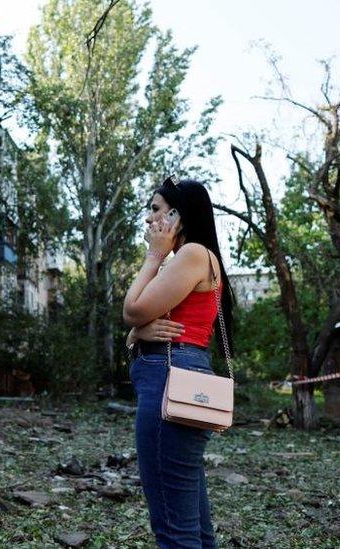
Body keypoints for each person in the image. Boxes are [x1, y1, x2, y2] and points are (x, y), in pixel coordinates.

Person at [122, 176, 234, 548]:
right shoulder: (196, 258)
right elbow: (138, 325)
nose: (148, 220)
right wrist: (139, 333)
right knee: (195, 530)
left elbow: (133, 309)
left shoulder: (192, 255)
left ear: (177, 216)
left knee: (174, 530)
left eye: (155, 209)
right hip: (182, 377)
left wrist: (154, 256)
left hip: (170, 383)